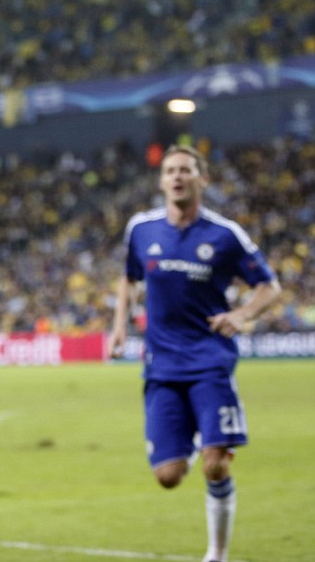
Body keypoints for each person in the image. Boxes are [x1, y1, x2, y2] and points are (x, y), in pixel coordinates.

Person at [108, 145, 281, 562]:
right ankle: (193, 438)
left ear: (203, 179)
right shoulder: (141, 229)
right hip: (162, 365)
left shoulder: (225, 234)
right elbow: (129, 279)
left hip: (210, 361)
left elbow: (270, 287)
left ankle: (216, 553)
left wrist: (241, 314)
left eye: (186, 170)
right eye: (170, 171)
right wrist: (118, 325)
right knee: (168, 476)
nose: (177, 177)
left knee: (215, 466)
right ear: (161, 181)